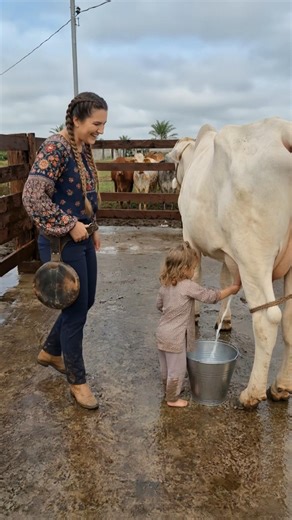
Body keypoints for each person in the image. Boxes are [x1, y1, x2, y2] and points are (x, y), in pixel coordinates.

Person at [22, 91, 108, 410]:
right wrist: (70, 223)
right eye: (96, 124)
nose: (100, 130)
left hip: (82, 238)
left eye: (103, 124)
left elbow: (83, 192)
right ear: (76, 119)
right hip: (61, 242)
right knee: (74, 310)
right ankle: (77, 380)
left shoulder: (81, 147)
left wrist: (91, 226)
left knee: (87, 300)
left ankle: (51, 350)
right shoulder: (55, 147)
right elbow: (32, 197)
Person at [156, 241, 241, 408]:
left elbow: (159, 306)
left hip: (162, 332)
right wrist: (232, 288)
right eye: (193, 267)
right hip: (176, 338)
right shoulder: (188, 286)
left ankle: (167, 389)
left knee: (166, 366)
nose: (194, 271)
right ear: (184, 268)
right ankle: (172, 399)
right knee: (178, 370)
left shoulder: (164, 286)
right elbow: (210, 296)